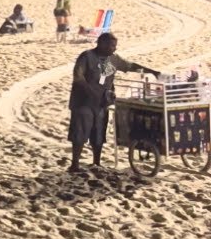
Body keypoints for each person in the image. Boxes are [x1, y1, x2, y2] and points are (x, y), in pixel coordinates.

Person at [68, 33, 160, 172]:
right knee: (80, 132)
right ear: (101, 44)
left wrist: (152, 71)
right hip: (83, 102)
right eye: (111, 46)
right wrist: (91, 93)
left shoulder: (113, 59)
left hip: (102, 103)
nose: (114, 49)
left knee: (99, 132)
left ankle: (96, 163)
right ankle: (75, 164)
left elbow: (130, 66)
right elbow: (78, 77)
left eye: (115, 46)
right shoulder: (87, 57)